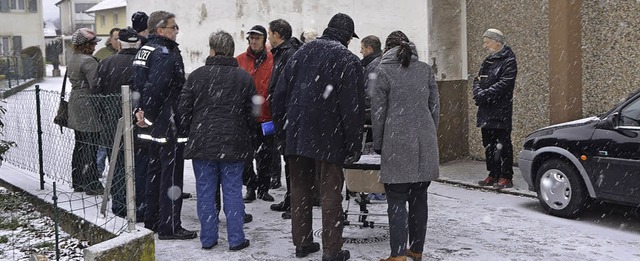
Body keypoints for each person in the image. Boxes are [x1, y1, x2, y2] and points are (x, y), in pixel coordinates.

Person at [271, 13, 365, 261]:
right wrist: (354, 144)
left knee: (300, 187)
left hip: (298, 132)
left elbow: (278, 95)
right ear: (347, 36)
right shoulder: (348, 60)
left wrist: (283, 132)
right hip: (329, 135)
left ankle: (302, 243)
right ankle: (332, 250)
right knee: (331, 191)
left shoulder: (300, 53)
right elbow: (352, 108)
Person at [178, 30, 254, 251]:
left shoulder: (196, 76)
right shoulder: (244, 77)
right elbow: (253, 113)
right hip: (234, 143)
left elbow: (184, 110)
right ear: (231, 51)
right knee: (232, 191)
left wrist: (191, 130)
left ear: (211, 49)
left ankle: (208, 238)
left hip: (203, 143)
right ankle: (236, 238)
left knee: (205, 192)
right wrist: (250, 136)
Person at [371, 30, 440, 261]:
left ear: (386, 49)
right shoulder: (425, 70)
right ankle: (417, 250)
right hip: (424, 141)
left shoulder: (383, 71)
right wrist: (429, 134)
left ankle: (398, 254)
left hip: (396, 141)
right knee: (419, 196)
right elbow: (435, 108)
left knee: (397, 198)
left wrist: (379, 143)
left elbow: (378, 113)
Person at [132, 11, 196, 240]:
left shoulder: (144, 49)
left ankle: (153, 219)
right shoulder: (165, 53)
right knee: (170, 176)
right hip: (166, 124)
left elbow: (138, 85)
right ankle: (169, 226)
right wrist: (149, 115)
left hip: (151, 124)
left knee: (154, 172)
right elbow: (156, 88)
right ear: (160, 30)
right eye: (173, 27)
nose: (176, 30)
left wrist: (140, 114)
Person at [96, 27, 141, 218]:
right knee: (138, 163)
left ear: (120, 43)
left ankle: (120, 203)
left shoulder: (106, 64)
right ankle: (136, 202)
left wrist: (104, 115)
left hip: (111, 121)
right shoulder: (142, 64)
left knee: (117, 162)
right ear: (138, 43)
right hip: (138, 120)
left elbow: (97, 94)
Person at [266, 18, 302, 219]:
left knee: (293, 163)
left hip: (289, 116)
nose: (268, 37)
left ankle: (294, 203)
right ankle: (290, 199)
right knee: (289, 161)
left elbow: (287, 86)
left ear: (277, 35)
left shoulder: (288, 54)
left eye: (270, 33)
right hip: (284, 115)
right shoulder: (282, 53)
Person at [236, 25, 275, 203]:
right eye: (251, 38)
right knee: (246, 155)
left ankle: (263, 188)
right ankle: (250, 187)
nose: (253, 41)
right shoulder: (239, 60)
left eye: (257, 38)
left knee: (266, 155)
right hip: (245, 118)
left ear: (264, 40)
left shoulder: (273, 60)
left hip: (267, 117)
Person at [473, 28, 517, 189]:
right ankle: (493, 174)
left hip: (500, 111)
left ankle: (506, 176)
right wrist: (478, 93)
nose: (485, 46)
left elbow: (505, 84)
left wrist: (484, 94)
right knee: (489, 145)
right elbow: (477, 79)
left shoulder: (509, 60)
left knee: (503, 145)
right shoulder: (488, 60)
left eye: (487, 42)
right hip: (485, 110)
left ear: (497, 42)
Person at [67, 28, 104, 196]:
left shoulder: (73, 59)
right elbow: (96, 85)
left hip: (76, 102)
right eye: (93, 43)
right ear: (85, 45)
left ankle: (78, 181)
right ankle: (92, 182)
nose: (95, 46)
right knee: (91, 144)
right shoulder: (88, 61)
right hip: (88, 105)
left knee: (80, 144)